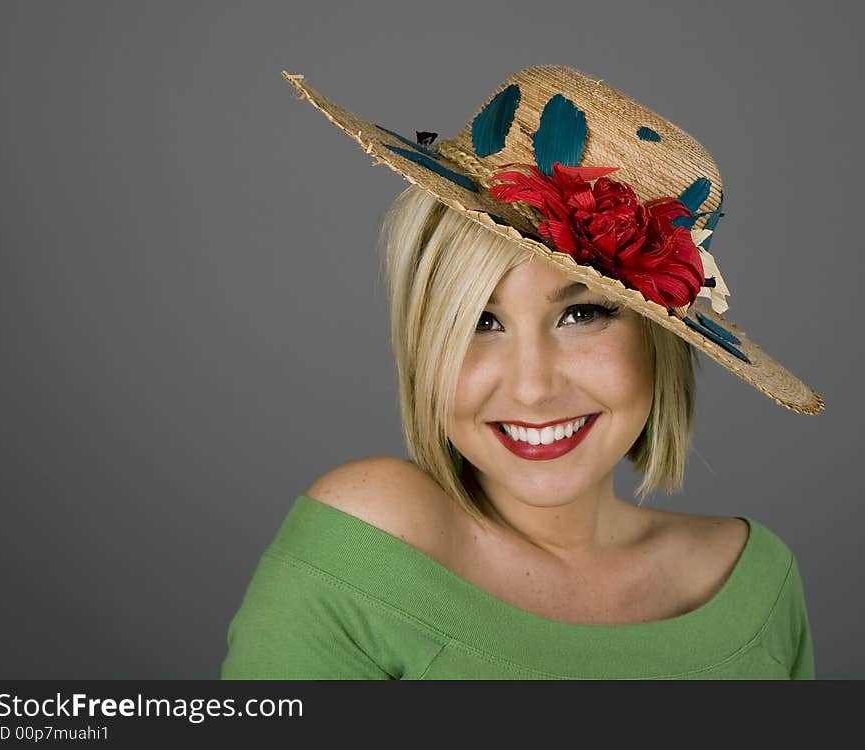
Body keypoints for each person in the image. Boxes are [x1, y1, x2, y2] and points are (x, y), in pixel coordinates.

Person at [220, 66, 823, 679]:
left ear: (660, 340)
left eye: (582, 313)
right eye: (480, 321)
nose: (532, 387)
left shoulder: (756, 584)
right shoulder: (368, 543)